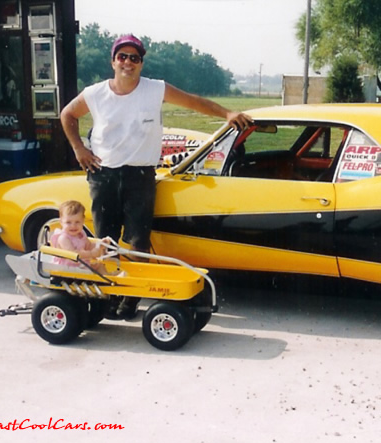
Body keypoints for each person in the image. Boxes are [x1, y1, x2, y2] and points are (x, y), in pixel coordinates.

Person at [59, 34, 252, 318]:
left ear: (141, 63)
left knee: (138, 242)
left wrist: (226, 112)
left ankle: (131, 298)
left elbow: (193, 101)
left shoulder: (155, 89)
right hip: (103, 175)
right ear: (113, 61)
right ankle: (106, 296)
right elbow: (67, 114)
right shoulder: (95, 93)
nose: (128, 62)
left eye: (134, 58)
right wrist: (79, 148)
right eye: (122, 57)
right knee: (105, 240)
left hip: (140, 176)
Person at [50, 200, 109, 267]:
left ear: (83, 221)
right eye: (68, 222)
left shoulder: (81, 234)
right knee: (95, 268)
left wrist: (99, 245)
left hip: (81, 265)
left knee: (99, 265)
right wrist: (92, 254)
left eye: (77, 222)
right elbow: (73, 254)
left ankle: (113, 276)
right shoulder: (63, 238)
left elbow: (88, 246)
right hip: (67, 268)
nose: (73, 226)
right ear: (61, 222)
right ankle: (111, 277)